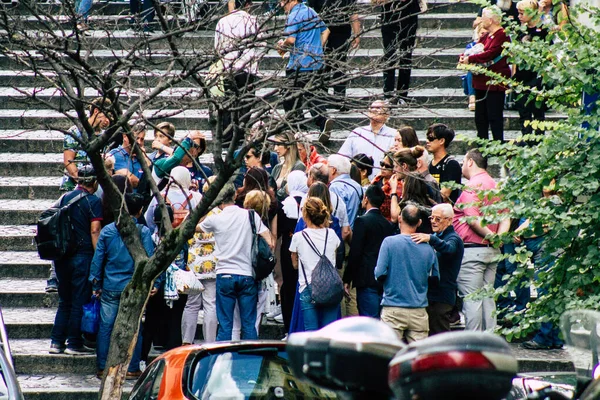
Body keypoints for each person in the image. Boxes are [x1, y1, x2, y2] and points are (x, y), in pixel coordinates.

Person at [198, 184, 273, 341]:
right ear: (234, 196)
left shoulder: (215, 219)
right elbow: (270, 241)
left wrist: (207, 206)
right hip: (247, 274)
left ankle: (222, 360)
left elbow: (195, 226)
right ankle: (250, 360)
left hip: (224, 273)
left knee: (225, 325)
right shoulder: (251, 216)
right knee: (248, 324)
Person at [90, 193, 153, 379]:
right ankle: (132, 367)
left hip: (110, 286)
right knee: (134, 328)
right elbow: (149, 260)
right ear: (140, 211)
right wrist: (153, 283)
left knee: (106, 327)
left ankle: (103, 366)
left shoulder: (108, 231)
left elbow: (98, 259)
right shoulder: (143, 232)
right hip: (134, 287)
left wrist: (96, 283)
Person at [453, 149, 509, 332]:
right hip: (492, 251)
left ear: (470, 162)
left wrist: (491, 237)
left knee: (472, 300)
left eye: (463, 161)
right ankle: (489, 341)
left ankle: (474, 345)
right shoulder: (495, 185)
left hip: (472, 250)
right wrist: (498, 239)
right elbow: (506, 217)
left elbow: (473, 219)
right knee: (487, 299)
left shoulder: (472, 186)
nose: (462, 166)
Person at [49, 165, 103, 355]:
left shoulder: (65, 197)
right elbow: (95, 230)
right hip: (82, 255)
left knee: (65, 300)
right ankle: (73, 342)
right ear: (94, 182)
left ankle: (56, 342)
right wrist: (99, 256)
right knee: (79, 298)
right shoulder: (93, 201)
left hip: (63, 256)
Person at [375, 205, 439, 342]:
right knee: (419, 357)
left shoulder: (389, 243)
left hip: (393, 308)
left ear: (399, 218)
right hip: (419, 310)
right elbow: (434, 279)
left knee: (389, 354)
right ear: (419, 222)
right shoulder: (428, 249)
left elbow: (379, 273)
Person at [277, 0, 333, 142]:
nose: (281, 4)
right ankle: (323, 120)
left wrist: (281, 46)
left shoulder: (294, 15)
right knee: (314, 96)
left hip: (299, 65)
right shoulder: (311, 11)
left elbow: (290, 39)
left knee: (288, 97)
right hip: (316, 62)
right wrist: (317, 48)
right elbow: (326, 30)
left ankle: (297, 127)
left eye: (283, 1)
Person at [458, 6, 511, 142]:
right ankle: (483, 144)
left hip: (494, 82)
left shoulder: (502, 35)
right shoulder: (486, 35)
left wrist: (471, 59)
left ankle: (498, 143)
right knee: (480, 117)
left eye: (483, 17)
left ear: (491, 20)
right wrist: (464, 56)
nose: (481, 20)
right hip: (481, 82)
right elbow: (476, 48)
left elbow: (490, 53)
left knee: (494, 116)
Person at [411, 204, 464, 335]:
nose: (433, 221)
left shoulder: (453, 238)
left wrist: (431, 239)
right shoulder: (438, 236)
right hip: (431, 294)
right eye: (432, 218)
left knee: (440, 335)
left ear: (449, 220)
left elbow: (449, 248)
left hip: (443, 295)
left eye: (438, 219)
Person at [290, 197, 342, 331]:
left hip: (307, 286)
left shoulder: (298, 237)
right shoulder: (331, 234)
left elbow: (294, 265)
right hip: (330, 286)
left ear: (305, 215)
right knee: (329, 330)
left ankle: (312, 352)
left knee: (310, 330)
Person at [343, 185, 395, 318]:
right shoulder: (387, 224)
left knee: (369, 319)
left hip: (365, 277)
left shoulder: (362, 221)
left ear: (366, 199)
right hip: (384, 278)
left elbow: (356, 252)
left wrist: (347, 279)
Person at [215, 0, 262, 144]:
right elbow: (262, 45)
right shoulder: (253, 21)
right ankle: (240, 135)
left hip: (228, 68)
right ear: (248, 4)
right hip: (247, 68)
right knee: (245, 103)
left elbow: (217, 47)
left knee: (228, 103)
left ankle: (226, 136)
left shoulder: (223, 21)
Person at [182, 178, 219, 345]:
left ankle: (186, 340)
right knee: (210, 303)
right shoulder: (220, 214)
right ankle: (210, 340)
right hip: (213, 263)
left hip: (195, 262)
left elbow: (184, 230)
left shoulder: (196, 211)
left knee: (191, 304)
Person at [308, 0, 360, 107]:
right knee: (322, 64)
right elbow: (311, 12)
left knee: (339, 64)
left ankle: (340, 99)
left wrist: (357, 34)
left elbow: (353, 12)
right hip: (321, 30)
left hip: (341, 30)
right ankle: (322, 98)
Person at [278, 171, 309, 332]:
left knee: (288, 285)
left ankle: (288, 325)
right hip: (305, 245)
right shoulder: (308, 202)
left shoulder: (284, 204)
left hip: (288, 247)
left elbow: (280, 229)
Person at [375, 0, 420, 104]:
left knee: (406, 55)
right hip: (389, 12)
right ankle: (388, 94)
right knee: (389, 54)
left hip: (409, 12)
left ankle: (402, 95)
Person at [514, 0, 548, 137]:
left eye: (522, 13)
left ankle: (539, 138)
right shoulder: (520, 30)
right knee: (523, 110)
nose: (519, 16)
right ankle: (526, 137)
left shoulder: (542, 30)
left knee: (538, 111)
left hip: (537, 74)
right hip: (522, 74)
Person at [338, 101, 396, 181]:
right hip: (357, 182)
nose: (374, 110)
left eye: (378, 108)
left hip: (383, 183)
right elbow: (342, 158)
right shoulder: (357, 133)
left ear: (387, 115)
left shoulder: (394, 135)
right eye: (372, 107)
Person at [390, 146, 435, 231]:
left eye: (395, 166)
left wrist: (393, 192)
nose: (393, 170)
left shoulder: (415, 182)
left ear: (404, 166)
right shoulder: (412, 180)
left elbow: (395, 217)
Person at [426, 123, 462, 204]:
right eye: (427, 137)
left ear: (441, 141)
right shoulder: (429, 164)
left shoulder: (451, 164)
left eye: (431, 138)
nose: (427, 141)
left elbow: (444, 194)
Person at [105, 127, 149, 191]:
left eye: (142, 139)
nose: (139, 142)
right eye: (136, 138)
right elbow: (130, 180)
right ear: (125, 136)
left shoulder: (141, 156)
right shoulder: (115, 154)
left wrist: (144, 156)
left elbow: (151, 176)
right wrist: (146, 185)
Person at [328, 154, 364, 229]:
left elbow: (335, 215)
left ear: (333, 170)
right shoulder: (358, 186)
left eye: (327, 166)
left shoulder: (334, 187)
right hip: (355, 231)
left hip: (341, 232)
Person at [271, 131, 307, 201]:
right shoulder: (277, 167)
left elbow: (288, 192)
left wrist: (274, 194)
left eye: (278, 144)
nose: (275, 148)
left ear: (288, 145)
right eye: (275, 145)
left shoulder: (299, 166)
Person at [372, 154, 402, 221]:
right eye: (382, 164)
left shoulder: (398, 185)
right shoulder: (376, 180)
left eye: (387, 166)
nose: (383, 167)